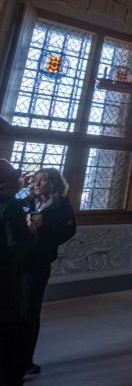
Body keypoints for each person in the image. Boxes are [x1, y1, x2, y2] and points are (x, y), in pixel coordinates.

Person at [19, 168, 76, 378]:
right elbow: (9, 206)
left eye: (43, 181)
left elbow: (65, 232)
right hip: (17, 261)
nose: (37, 184)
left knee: (28, 311)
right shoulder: (26, 200)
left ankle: (25, 360)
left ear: (53, 184)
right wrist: (20, 188)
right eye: (35, 180)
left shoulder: (62, 206)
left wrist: (42, 228)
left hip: (36, 264)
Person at [0, 159, 36, 386]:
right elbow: (18, 242)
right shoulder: (9, 204)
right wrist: (33, 233)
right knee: (7, 331)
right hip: (4, 275)